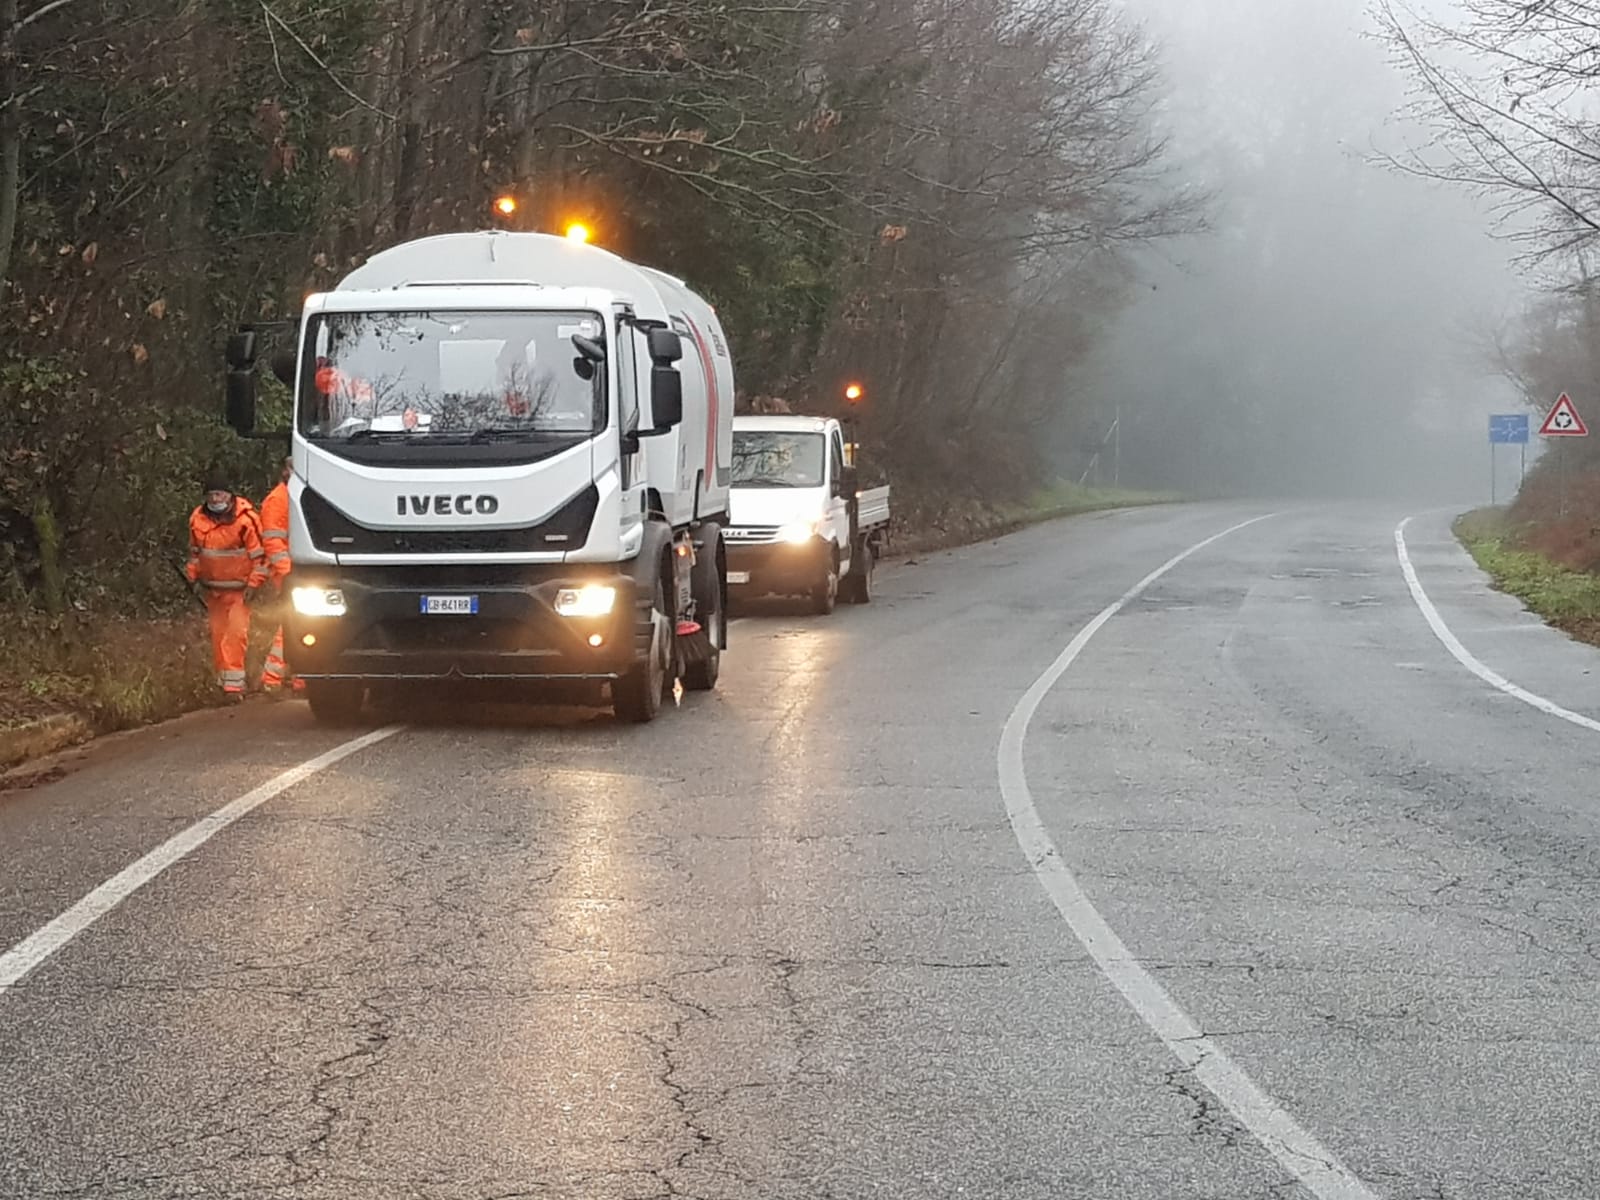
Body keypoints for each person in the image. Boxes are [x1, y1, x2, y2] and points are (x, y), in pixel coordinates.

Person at [185, 472, 266, 701]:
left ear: (229, 495)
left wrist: (254, 583)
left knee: (236, 634)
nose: (215, 499)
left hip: (240, 591)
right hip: (212, 589)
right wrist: (192, 575)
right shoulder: (197, 519)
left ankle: (234, 688)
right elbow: (194, 552)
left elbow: (260, 557)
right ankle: (222, 683)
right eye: (211, 495)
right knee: (218, 635)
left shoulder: (245, 519)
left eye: (219, 494)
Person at [258, 457, 303, 695]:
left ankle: (297, 678)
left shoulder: (295, 495)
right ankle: (273, 677)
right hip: (287, 572)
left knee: (302, 622)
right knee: (293, 622)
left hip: (298, 570)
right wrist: (288, 571)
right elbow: (273, 541)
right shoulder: (278, 499)